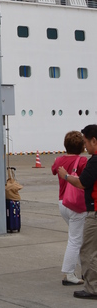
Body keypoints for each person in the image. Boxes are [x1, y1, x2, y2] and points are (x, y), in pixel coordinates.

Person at [58, 124, 97, 299]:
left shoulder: (92, 161)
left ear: (93, 141)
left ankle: (89, 286)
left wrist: (66, 176)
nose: (85, 146)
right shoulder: (84, 161)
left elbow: (82, 182)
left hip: (86, 208)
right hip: (78, 207)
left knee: (85, 247)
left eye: (86, 142)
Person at [51, 130, 87, 285]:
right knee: (76, 240)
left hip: (62, 202)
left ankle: (85, 270)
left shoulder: (59, 160)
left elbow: (53, 170)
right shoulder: (83, 161)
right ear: (82, 147)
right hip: (77, 204)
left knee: (78, 237)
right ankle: (69, 273)